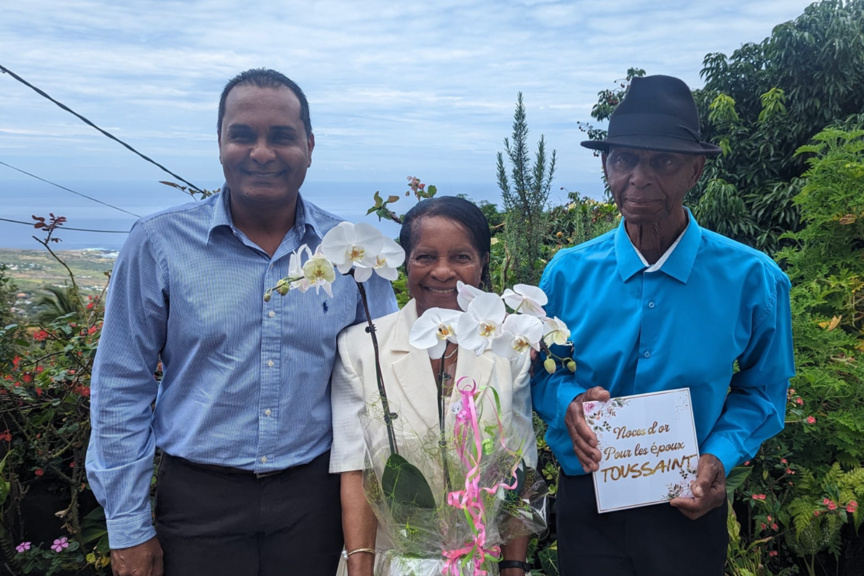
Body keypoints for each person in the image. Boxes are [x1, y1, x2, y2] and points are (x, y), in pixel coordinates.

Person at [85, 68, 397, 576]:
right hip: (198, 502)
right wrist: (127, 526)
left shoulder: (353, 254)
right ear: (219, 143)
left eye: (282, 136)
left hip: (316, 501)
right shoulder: (160, 244)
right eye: (243, 135)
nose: (262, 152)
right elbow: (121, 385)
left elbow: (387, 379)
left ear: (310, 146)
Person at [531, 75, 795, 576]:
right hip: (588, 499)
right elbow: (543, 373)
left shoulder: (752, 280)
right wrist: (568, 403)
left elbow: (764, 391)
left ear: (695, 170)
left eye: (663, 162)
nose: (639, 178)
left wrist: (718, 456)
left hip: (688, 500)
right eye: (623, 160)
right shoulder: (566, 274)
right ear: (606, 166)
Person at [330, 196, 538, 576]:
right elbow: (355, 472)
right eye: (425, 257)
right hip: (391, 565)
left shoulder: (509, 352)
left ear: (482, 264)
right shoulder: (362, 348)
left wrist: (513, 568)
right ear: (405, 262)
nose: (442, 272)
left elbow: (518, 470)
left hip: (477, 564)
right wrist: (360, 568)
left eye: (461, 257)